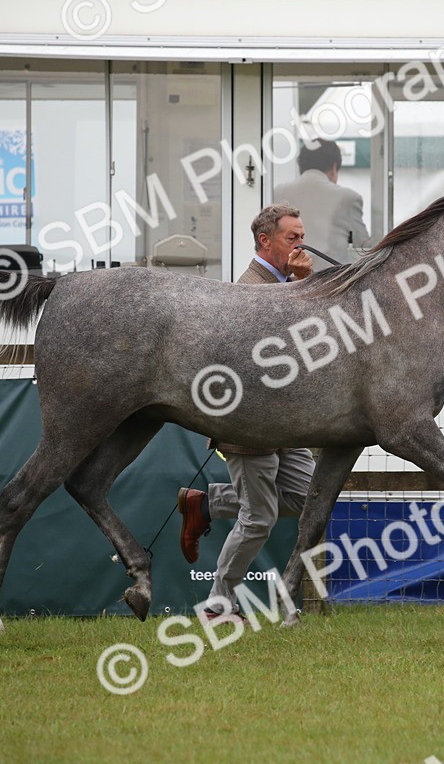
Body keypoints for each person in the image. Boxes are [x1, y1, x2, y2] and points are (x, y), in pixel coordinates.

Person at [177, 204, 317, 619]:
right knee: (258, 519)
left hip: (281, 422)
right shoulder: (251, 288)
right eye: (292, 238)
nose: (300, 245)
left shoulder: (284, 281)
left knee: (310, 498)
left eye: (301, 236)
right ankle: (219, 603)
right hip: (249, 422)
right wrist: (302, 287)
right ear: (265, 241)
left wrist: (299, 284)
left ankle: (208, 504)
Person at [274, 138, 367, 265]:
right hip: (331, 280)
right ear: (334, 167)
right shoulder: (348, 198)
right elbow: (364, 246)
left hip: (287, 280)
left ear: (301, 166)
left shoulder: (278, 192)